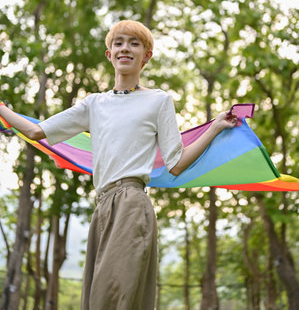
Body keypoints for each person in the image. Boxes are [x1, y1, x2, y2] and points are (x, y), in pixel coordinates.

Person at [0, 20, 237, 310]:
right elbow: (38, 131)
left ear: (146, 55)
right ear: (109, 53)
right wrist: (3, 110)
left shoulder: (159, 101)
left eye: (134, 43)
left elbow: (176, 164)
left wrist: (214, 128)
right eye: (119, 42)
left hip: (131, 203)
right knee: (99, 295)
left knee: (114, 297)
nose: (125, 47)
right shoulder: (94, 104)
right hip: (102, 207)